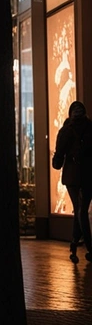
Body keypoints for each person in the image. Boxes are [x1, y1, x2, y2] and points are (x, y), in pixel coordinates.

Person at [53, 99, 92, 262]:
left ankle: (78, 245)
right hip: (89, 174)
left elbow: (59, 152)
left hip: (72, 175)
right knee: (82, 210)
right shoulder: (90, 127)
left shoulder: (66, 130)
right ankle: (81, 246)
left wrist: (57, 161)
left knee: (79, 210)